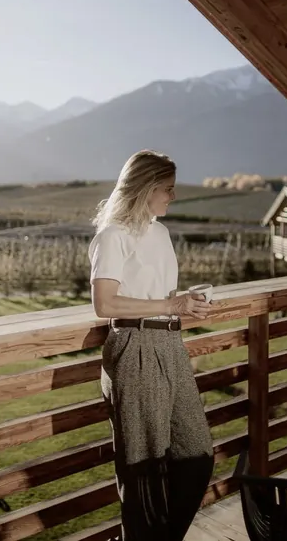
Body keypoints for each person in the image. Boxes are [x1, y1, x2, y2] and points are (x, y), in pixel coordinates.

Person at [89, 150, 214, 540]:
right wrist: (170, 305)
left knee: (197, 455)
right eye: (167, 189)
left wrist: (185, 303)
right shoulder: (112, 236)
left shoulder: (159, 233)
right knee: (143, 470)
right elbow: (104, 304)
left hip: (170, 343)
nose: (173, 197)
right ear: (144, 188)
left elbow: (159, 294)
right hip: (134, 345)